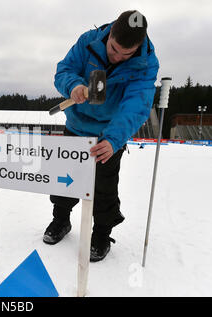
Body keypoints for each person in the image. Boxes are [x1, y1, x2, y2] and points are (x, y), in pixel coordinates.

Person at [44, 10, 159, 262]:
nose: (115, 56)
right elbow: (63, 70)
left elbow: (136, 105)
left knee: (104, 188)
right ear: (110, 33)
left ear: (138, 46)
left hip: (108, 135)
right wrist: (73, 85)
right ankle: (60, 220)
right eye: (113, 48)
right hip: (76, 126)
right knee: (65, 179)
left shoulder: (147, 64)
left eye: (124, 54)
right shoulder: (88, 40)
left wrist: (113, 139)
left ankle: (101, 235)